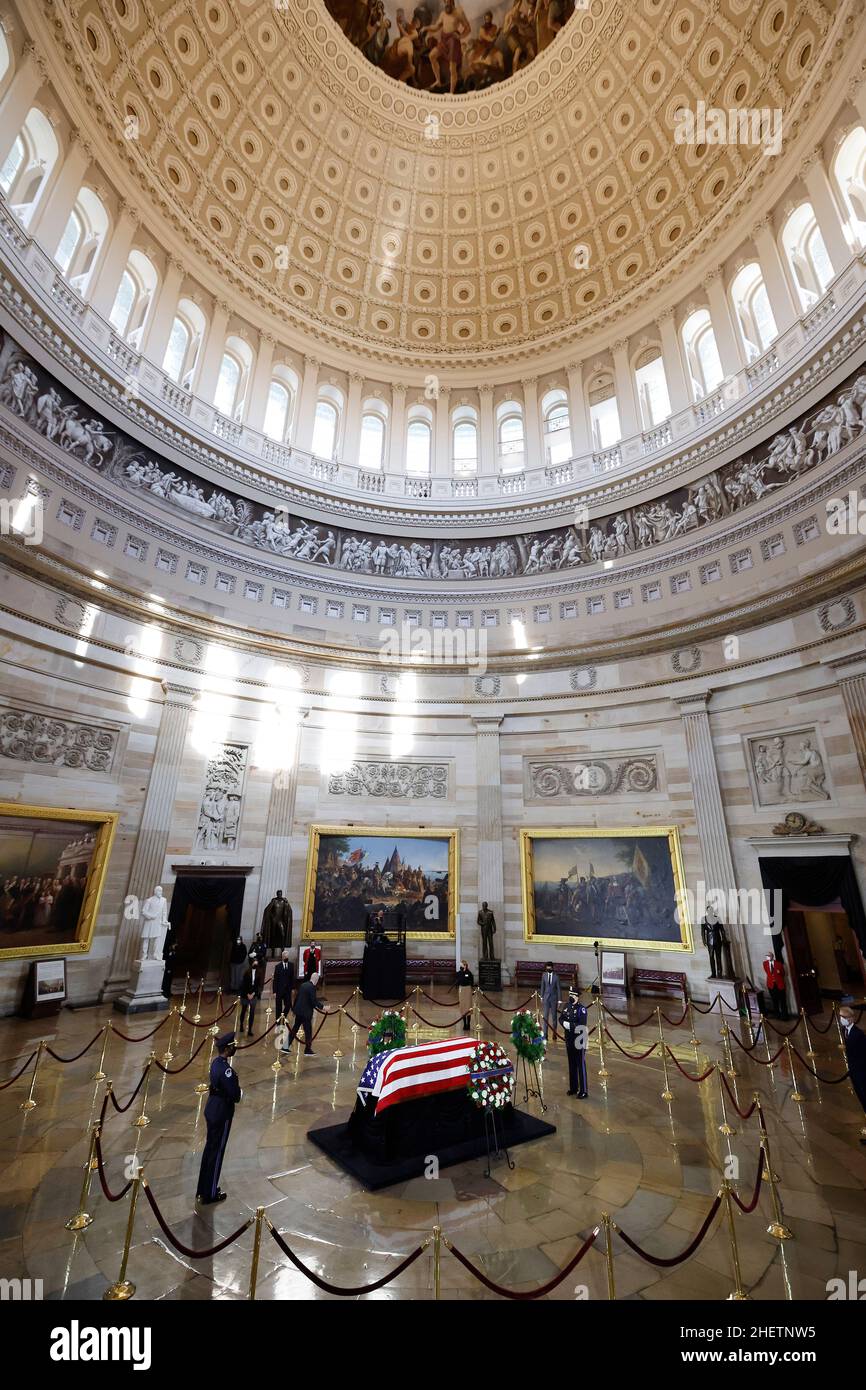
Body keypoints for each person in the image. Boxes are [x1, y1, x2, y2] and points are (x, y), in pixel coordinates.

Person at [196, 1032, 241, 1206]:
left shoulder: (216, 1063)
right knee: (217, 1153)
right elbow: (235, 1095)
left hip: (212, 1109)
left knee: (209, 1150)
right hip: (222, 1112)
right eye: (233, 1046)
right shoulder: (227, 1070)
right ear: (228, 1048)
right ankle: (211, 1193)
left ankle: (203, 1189)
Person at [281, 971, 330, 1056]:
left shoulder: (303, 985)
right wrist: (323, 1008)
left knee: (294, 1029)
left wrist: (294, 1010)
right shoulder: (312, 988)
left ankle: (285, 1047)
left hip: (299, 1012)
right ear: (316, 980)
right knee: (308, 1031)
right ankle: (307, 1050)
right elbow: (314, 1001)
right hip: (306, 1014)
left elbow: (297, 998)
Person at [839, 1007, 866, 1142]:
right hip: (855, 1073)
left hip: (862, 1073)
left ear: (850, 1018)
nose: (841, 1019)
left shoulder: (858, 1034)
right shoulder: (846, 1031)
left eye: (843, 1017)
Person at [559, 986, 588, 1098]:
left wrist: (569, 1025)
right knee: (571, 1063)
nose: (570, 997)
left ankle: (584, 1090)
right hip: (569, 1038)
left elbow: (581, 1025)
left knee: (580, 1063)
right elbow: (561, 1018)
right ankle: (574, 1088)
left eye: (573, 995)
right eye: (570, 995)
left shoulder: (582, 1009)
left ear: (577, 996)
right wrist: (564, 1024)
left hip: (580, 1038)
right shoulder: (566, 1006)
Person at [239, 961, 261, 1036]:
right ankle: (241, 1025)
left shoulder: (259, 974)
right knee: (244, 1010)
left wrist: (254, 994)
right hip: (246, 994)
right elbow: (244, 984)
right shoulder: (246, 973)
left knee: (252, 1012)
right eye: (254, 963)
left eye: (256, 964)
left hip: (253, 995)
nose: (255, 965)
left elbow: (258, 986)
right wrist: (247, 994)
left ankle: (250, 1030)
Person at [540, 962, 561, 1041]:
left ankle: (554, 1033)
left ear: (552, 968)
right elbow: (542, 986)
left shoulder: (556, 977)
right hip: (546, 999)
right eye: (547, 968)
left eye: (550, 968)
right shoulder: (544, 975)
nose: (548, 969)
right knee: (545, 1017)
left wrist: (559, 1000)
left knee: (554, 1018)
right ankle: (545, 1035)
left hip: (554, 999)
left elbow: (559, 989)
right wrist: (541, 996)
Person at [272, 949, 295, 1021]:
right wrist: (274, 991)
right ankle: (278, 1021)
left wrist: (293, 988)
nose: (286, 958)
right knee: (278, 1007)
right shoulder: (278, 967)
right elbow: (275, 980)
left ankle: (283, 1017)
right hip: (279, 990)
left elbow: (292, 978)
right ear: (282, 957)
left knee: (288, 1005)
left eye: (287, 956)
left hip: (287, 990)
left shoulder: (291, 965)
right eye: (285, 956)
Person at [762, 952, 787, 1018]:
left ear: (772, 956)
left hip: (780, 985)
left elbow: (783, 973)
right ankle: (777, 1015)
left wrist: (779, 972)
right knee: (774, 1000)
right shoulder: (765, 964)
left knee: (782, 1001)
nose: (768, 957)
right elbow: (768, 973)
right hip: (771, 985)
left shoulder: (778, 963)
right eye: (767, 956)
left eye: (769, 956)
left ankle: (784, 1016)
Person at [456, 959, 474, 1031]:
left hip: (467, 989)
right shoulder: (459, 973)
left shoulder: (469, 973)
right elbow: (459, 980)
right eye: (461, 965)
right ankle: (464, 1024)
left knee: (468, 1006)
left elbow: (471, 980)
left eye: (463, 965)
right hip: (462, 990)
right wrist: (462, 972)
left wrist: (465, 971)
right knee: (463, 1006)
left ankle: (468, 1024)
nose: (462, 966)